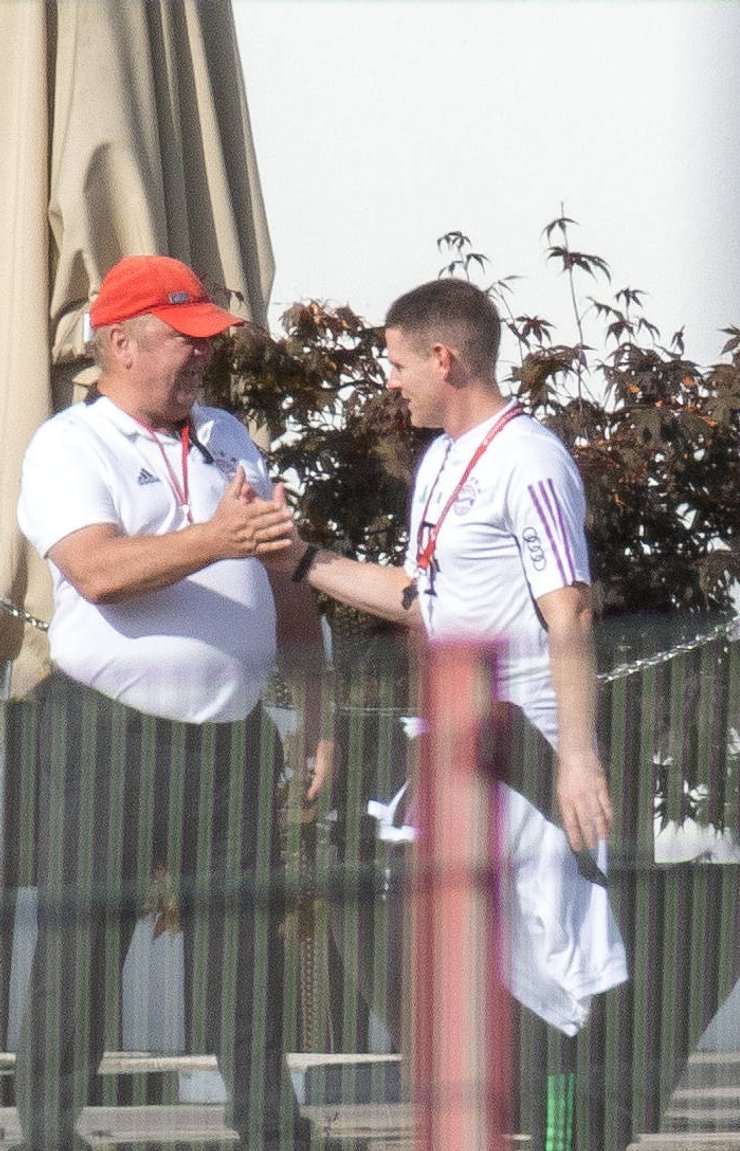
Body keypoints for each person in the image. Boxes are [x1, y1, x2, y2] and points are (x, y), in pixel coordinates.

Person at [276, 277, 626, 1148]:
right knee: (451, 979)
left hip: (526, 750)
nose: (389, 383)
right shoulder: (438, 462)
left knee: (544, 982)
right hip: (451, 747)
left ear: (445, 358)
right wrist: (301, 557)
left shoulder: (530, 458)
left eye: (396, 364)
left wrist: (578, 757)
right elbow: (422, 598)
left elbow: (568, 611)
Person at [13, 254, 331, 1149]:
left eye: (207, 343)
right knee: (83, 941)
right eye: (182, 340)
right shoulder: (70, 445)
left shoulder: (230, 432)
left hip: (232, 731)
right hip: (108, 729)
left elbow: (285, 573)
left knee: (246, 948)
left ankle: (269, 1126)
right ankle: (46, 1131)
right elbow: (99, 571)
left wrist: (318, 706)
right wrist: (215, 535)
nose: (201, 359)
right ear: (118, 343)